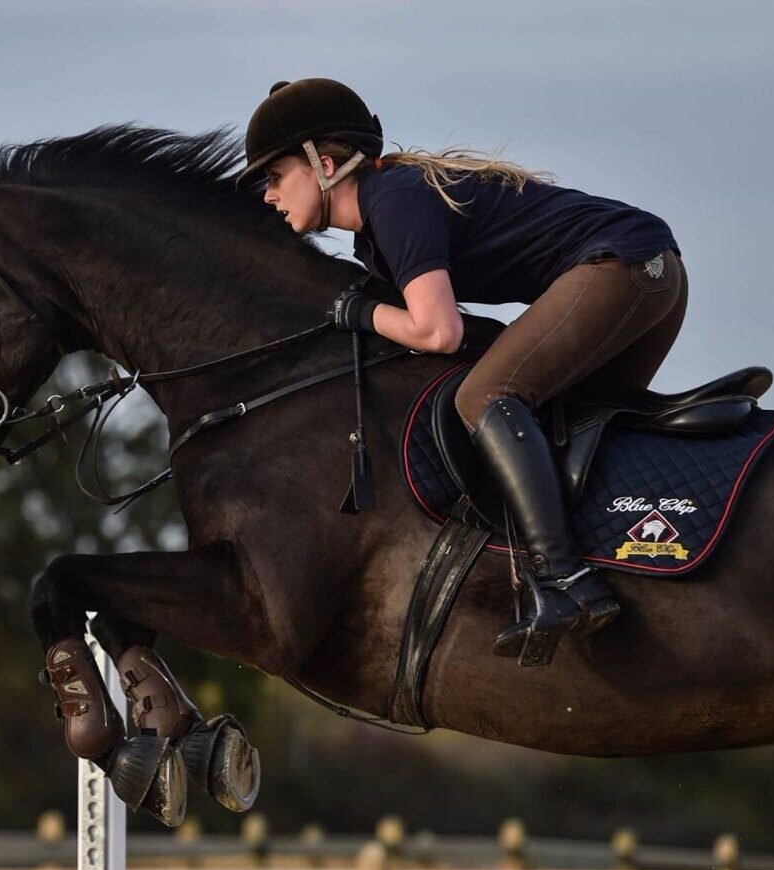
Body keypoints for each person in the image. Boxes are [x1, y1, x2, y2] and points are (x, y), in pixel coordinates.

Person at [238, 78, 686, 667]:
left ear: (324, 164)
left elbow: (438, 332)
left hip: (625, 268)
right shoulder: (378, 229)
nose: (268, 196)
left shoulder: (392, 200)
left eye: (274, 177)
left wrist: (364, 313)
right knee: (560, 418)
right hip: (648, 272)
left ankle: (563, 580)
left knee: (485, 395)